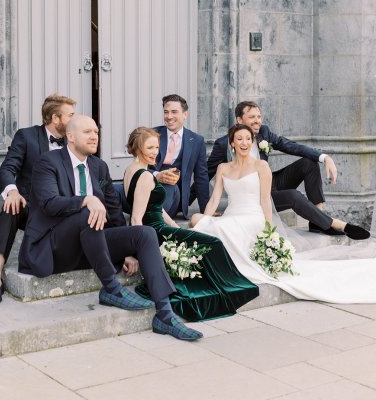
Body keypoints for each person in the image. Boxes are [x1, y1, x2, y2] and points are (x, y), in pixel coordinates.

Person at [18, 115, 203, 341]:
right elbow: (49, 203)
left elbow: (114, 211)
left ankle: (164, 315)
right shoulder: (48, 162)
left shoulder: (98, 166)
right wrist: (86, 200)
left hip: (92, 243)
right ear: (70, 136)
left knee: (145, 233)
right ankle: (111, 289)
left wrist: (127, 250)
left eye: (96, 131)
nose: (94, 136)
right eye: (87, 132)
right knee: (89, 211)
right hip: (56, 245)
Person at [191, 124, 376, 303]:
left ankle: (326, 222)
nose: (244, 142)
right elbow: (215, 199)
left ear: (253, 142)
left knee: (222, 227)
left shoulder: (260, 166)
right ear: (232, 143)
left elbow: (265, 200)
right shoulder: (223, 168)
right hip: (232, 213)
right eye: (239, 139)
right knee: (198, 220)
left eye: (248, 139)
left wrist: (269, 229)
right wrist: (207, 220)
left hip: (252, 215)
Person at [123, 127, 259, 321]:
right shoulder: (145, 176)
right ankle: (231, 288)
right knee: (213, 243)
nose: (155, 152)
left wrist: (177, 228)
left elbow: (155, 208)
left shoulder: (132, 170)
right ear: (137, 148)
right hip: (156, 233)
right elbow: (136, 218)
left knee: (202, 241)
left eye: (156, 147)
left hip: (159, 228)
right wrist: (135, 252)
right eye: (150, 147)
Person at [205, 100, 369, 239]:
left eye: (259, 116)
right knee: (293, 196)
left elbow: (291, 146)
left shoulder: (264, 133)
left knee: (308, 163)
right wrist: (182, 206)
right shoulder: (223, 144)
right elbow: (206, 174)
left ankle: (318, 221)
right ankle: (333, 224)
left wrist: (324, 157)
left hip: (272, 182)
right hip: (255, 198)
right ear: (239, 120)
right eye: (252, 117)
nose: (257, 121)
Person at [0, 93, 76, 305]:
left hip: (63, 212)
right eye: (70, 115)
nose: (75, 119)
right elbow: (8, 168)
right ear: (55, 118)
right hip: (32, 209)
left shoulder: (74, 139)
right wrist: (13, 191)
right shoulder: (27, 136)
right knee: (10, 207)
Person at [150, 94, 209, 218]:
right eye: (166, 112)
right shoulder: (152, 134)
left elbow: (201, 177)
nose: (169, 116)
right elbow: (139, 165)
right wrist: (157, 175)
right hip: (148, 187)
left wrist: (206, 211)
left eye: (174, 112)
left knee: (169, 187)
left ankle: (153, 219)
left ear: (185, 114)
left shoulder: (197, 141)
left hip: (174, 195)